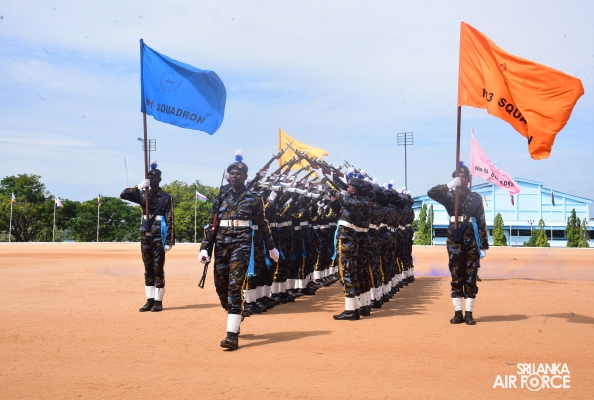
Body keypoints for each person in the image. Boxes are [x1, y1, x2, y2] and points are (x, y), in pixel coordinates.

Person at [199, 153, 279, 350]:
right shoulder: (221, 195)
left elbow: (262, 224)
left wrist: (271, 247)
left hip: (241, 243)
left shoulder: (254, 198)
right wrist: (205, 247)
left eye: (238, 174)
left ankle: (232, 335)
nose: (234, 176)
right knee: (220, 286)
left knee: (235, 286)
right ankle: (236, 312)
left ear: (245, 177)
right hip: (221, 243)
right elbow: (212, 223)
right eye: (232, 173)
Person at [427, 162, 489, 325]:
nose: (462, 179)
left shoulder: (476, 198)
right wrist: (449, 185)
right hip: (455, 238)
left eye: (464, 177)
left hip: (472, 238)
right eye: (458, 177)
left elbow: (481, 220)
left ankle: (469, 313)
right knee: (456, 274)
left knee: (471, 274)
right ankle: (457, 313)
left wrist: (483, 245)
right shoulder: (449, 195)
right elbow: (431, 192)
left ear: (468, 179)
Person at [120, 161, 174, 312]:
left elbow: (170, 218)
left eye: (154, 177)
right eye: (149, 177)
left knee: (158, 266)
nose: (151, 179)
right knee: (147, 266)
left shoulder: (166, 197)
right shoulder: (143, 194)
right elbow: (123, 194)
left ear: (160, 179)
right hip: (145, 231)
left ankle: (158, 301)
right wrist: (139, 186)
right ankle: (149, 300)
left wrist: (169, 240)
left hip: (159, 232)